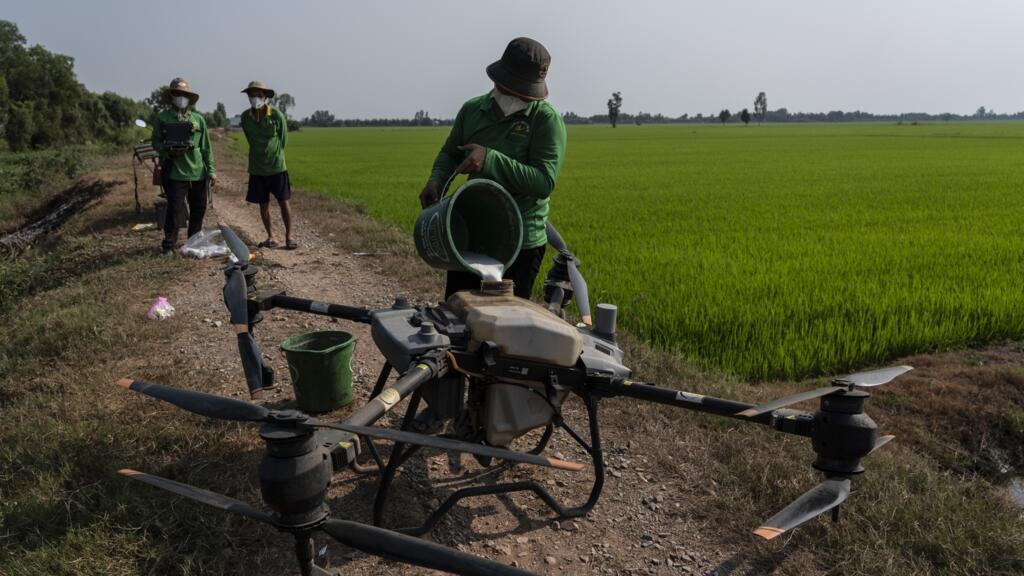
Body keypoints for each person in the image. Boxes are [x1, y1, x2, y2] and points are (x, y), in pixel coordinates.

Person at [420, 37, 567, 300]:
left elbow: (544, 182)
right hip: (469, 237)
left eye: (527, 91)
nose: (521, 96)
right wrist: (437, 180)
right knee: (459, 315)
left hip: (520, 243)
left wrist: (490, 159)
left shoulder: (545, 120)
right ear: (499, 79)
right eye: (517, 88)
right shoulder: (473, 110)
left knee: (507, 330)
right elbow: (450, 153)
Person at [151, 77, 216, 256]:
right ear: (172, 96)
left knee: (198, 209)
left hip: (197, 172)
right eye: (177, 94)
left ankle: (192, 243)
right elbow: (156, 141)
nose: (181, 97)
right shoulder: (163, 117)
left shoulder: (198, 120)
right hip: (174, 172)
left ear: (189, 97)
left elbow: (206, 148)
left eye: (184, 94)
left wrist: (211, 170)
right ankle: (169, 246)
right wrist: (167, 151)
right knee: (174, 209)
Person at [240, 80, 296, 249]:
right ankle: (270, 236)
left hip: (276, 167)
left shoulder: (276, 115)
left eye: (258, 95)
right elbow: (250, 139)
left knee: (283, 201)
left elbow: (283, 139)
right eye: (252, 95)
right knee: (263, 204)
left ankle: (289, 236)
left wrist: (274, 153)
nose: (255, 98)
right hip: (257, 169)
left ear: (265, 97)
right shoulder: (245, 117)